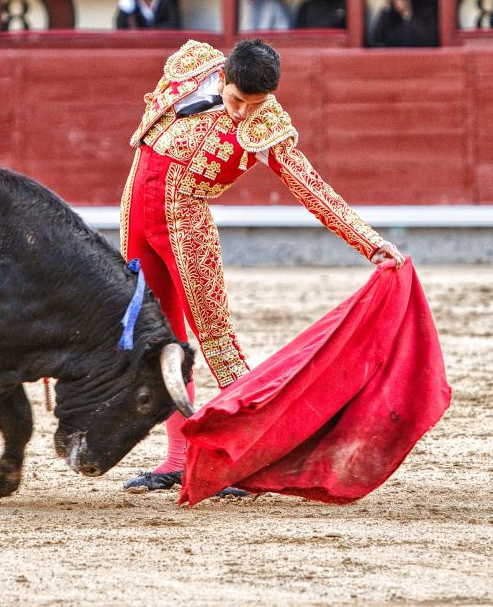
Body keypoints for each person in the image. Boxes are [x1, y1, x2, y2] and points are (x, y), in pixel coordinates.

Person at [119, 39, 404, 494]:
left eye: (255, 105)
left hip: (185, 226)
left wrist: (369, 243)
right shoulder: (190, 64)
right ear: (223, 76)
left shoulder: (266, 124)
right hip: (136, 214)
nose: (242, 114)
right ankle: (177, 457)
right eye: (236, 100)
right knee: (158, 340)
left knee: (218, 345)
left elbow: (309, 186)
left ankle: (249, 459)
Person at [371, 0, 438, 48]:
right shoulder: (391, 12)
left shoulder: (428, 5)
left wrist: (407, 14)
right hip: (393, 57)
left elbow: (429, 41)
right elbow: (377, 38)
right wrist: (387, 6)